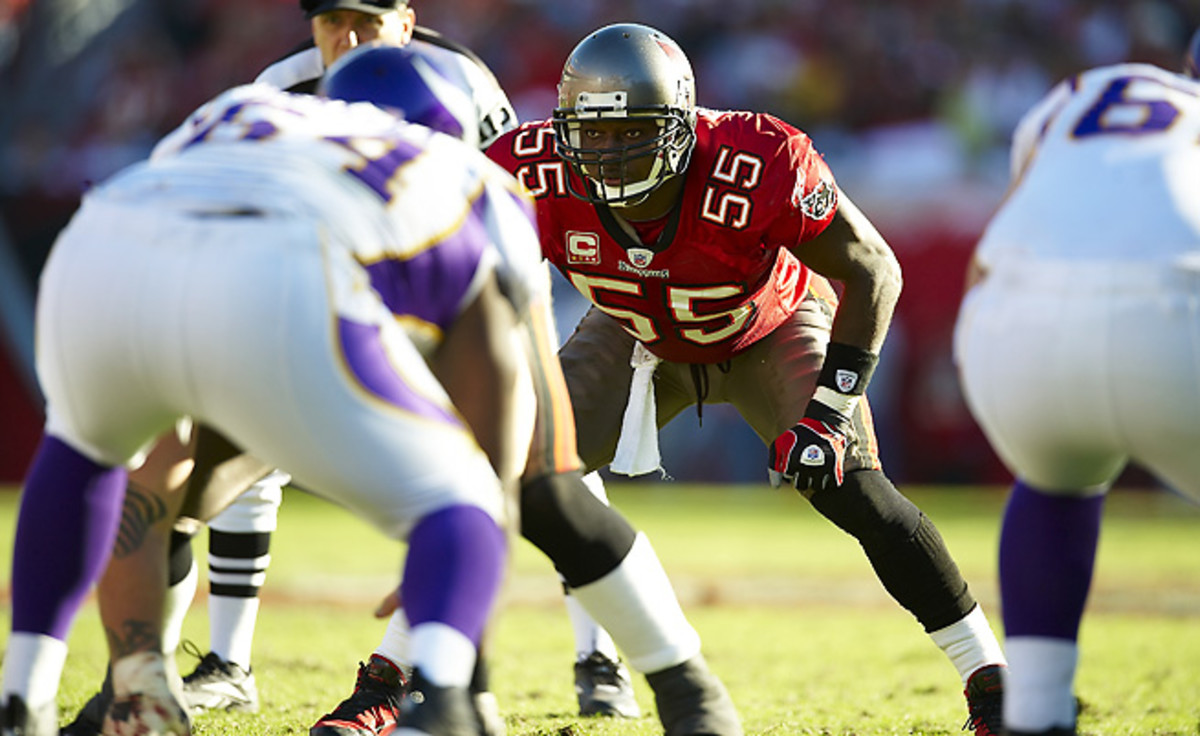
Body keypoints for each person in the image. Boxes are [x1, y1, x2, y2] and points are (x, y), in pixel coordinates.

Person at [486, 22, 1011, 734]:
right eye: (592, 133)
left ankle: (990, 677)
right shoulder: (527, 165)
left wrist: (830, 409)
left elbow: (873, 269)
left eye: (632, 131)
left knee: (849, 483)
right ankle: (412, 674)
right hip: (634, 326)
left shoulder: (758, 158)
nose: (607, 154)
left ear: (678, 123)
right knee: (515, 472)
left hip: (770, 323)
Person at [153, 0, 642, 723]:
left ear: (406, 22)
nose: (346, 40)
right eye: (329, 22)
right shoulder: (278, 83)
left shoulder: (461, 81)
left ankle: (599, 658)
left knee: (549, 459)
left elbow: (506, 201)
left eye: (365, 21)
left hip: (451, 293)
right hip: (329, 295)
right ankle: (229, 661)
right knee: (238, 439)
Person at [0, 81, 531, 735]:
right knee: (464, 497)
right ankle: (443, 704)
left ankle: (29, 692)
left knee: (86, 448)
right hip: (274, 271)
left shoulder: (243, 104)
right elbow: (499, 381)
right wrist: (470, 529)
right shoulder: (462, 172)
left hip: (102, 240)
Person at [953, 28, 1200, 736]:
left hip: (1011, 322)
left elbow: (1023, 218)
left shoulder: (1080, 96)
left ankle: (1035, 713)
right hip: (1173, 314)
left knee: (1054, 478)